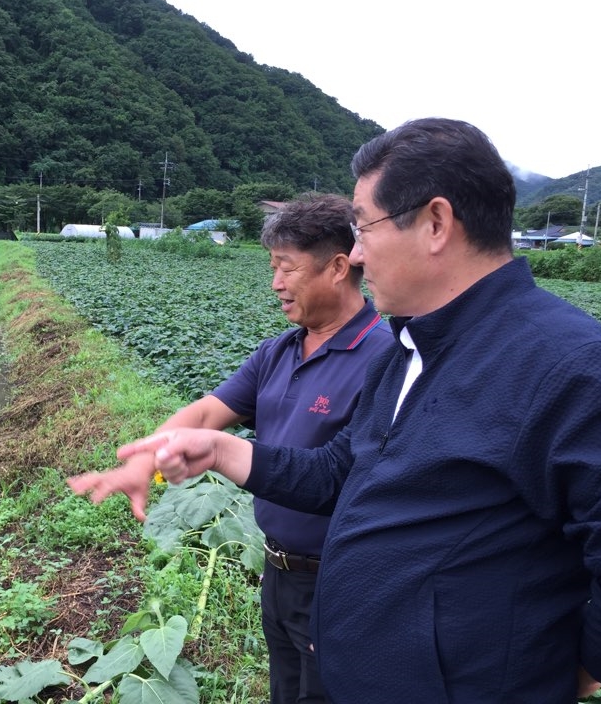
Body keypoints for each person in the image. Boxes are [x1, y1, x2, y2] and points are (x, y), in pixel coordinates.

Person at [70, 118, 601, 703]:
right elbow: (342, 472)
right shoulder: (411, 348)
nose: (358, 251)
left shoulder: (568, 364)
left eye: (364, 227)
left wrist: (573, 670)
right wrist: (219, 448)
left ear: (436, 224)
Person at [70, 194, 391, 704]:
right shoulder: (280, 350)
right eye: (272, 268)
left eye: (287, 269)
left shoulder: (385, 358)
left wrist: (220, 452)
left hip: (339, 582)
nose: (276, 284)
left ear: (336, 267)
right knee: (285, 691)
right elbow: (205, 413)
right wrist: (145, 460)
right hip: (277, 572)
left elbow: (338, 476)